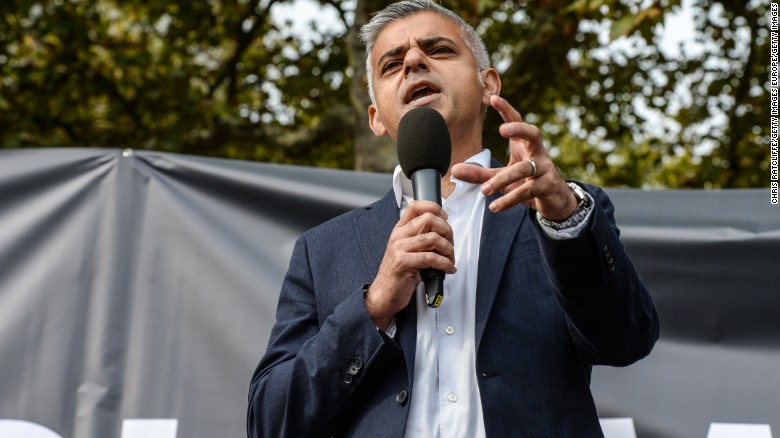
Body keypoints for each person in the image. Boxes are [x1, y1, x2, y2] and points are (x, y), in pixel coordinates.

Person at [247, 1, 659, 436]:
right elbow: (270, 421)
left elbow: (626, 341)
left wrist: (562, 216)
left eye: (438, 49)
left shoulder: (559, 210)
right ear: (376, 120)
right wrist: (374, 306)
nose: (412, 61)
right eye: (391, 65)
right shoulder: (323, 250)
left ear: (489, 85)